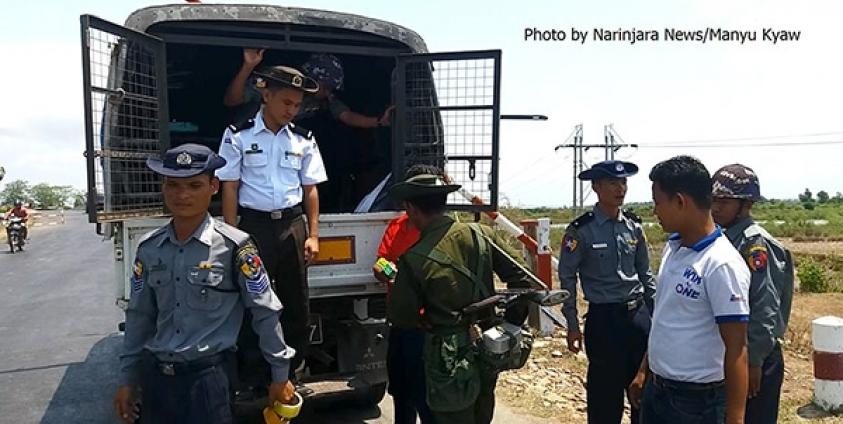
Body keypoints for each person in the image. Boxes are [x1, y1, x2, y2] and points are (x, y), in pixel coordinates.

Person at [113, 144, 296, 424]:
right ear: (163, 188)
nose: (182, 194)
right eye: (173, 185)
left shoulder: (236, 247)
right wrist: (128, 379)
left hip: (209, 381)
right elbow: (139, 317)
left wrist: (280, 375)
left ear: (214, 186)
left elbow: (265, 312)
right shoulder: (149, 249)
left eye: (194, 185)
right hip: (158, 382)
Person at [387, 166, 541, 424]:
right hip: (487, 348)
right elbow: (525, 281)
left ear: (412, 209)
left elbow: (402, 318)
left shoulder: (412, 260)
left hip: (445, 357)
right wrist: (509, 326)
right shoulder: (483, 235)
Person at [216, 64, 327, 390]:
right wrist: (231, 235)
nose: (292, 110)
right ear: (266, 96)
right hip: (253, 228)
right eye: (287, 103)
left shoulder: (303, 139)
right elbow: (230, 187)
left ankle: (293, 373)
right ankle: (254, 376)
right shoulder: (238, 135)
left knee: (296, 302)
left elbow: (311, 189)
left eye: (297, 105)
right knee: (253, 302)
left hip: (292, 226)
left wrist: (314, 235)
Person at [629, 155, 750, 424]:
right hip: (658, 391)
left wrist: (736, 417)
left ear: (680, 201)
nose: (655, 211)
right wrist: (644, 371)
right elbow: (665, 319)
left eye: (658, 203)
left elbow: (737, 347)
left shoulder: (721, 264)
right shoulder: (674, 249)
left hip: (697, 403)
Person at [557, 160, 655, 424]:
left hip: (638, 318)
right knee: (604, 401)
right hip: (604, 321)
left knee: (643, 395)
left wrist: (658, 317)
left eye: (623, 182)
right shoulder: (581, 230)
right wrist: (572, 325)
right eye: (613, 182)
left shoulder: (634, 226)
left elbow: (646, 274)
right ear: (596, 187)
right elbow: (567, 278)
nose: (620, 188)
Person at [711, 164, 794, 424]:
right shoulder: (726, 239)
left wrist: (754, 361)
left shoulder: (754, 244)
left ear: (745, 204)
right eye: (713, 200)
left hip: (756, 357)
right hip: (736, 353)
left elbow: (765, 306)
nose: (716, 208)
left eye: (724, 202)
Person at [373, 166, 429, 424]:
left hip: (432, 327)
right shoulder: (398, 227)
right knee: (402, 391)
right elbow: (381, 261)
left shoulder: (447, 231)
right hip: (401, 324)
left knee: (428, 394)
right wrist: (389, 272)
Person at [223, 50, 393, 128]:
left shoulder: (322, 99)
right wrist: (248, 67)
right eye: (326, 87)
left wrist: (379, 121)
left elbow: (346, 116)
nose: (327, 93)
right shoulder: (275, 81)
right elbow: (231, 100)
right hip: (246, 138)